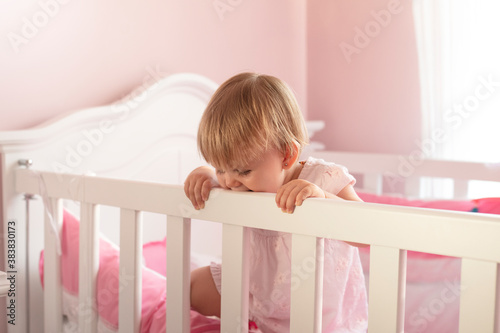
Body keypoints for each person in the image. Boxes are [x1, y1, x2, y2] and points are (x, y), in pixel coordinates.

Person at [184, 72, 368, 332]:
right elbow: (227, 179)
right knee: (186, 287)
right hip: (253, 289)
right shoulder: (238, 181)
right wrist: (206, 174)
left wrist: (324, 200)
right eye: (221, 168)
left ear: (287, 155)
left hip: (315, 311)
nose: (230, 183)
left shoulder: (324, 178)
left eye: (243, 171)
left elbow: (369, 230)